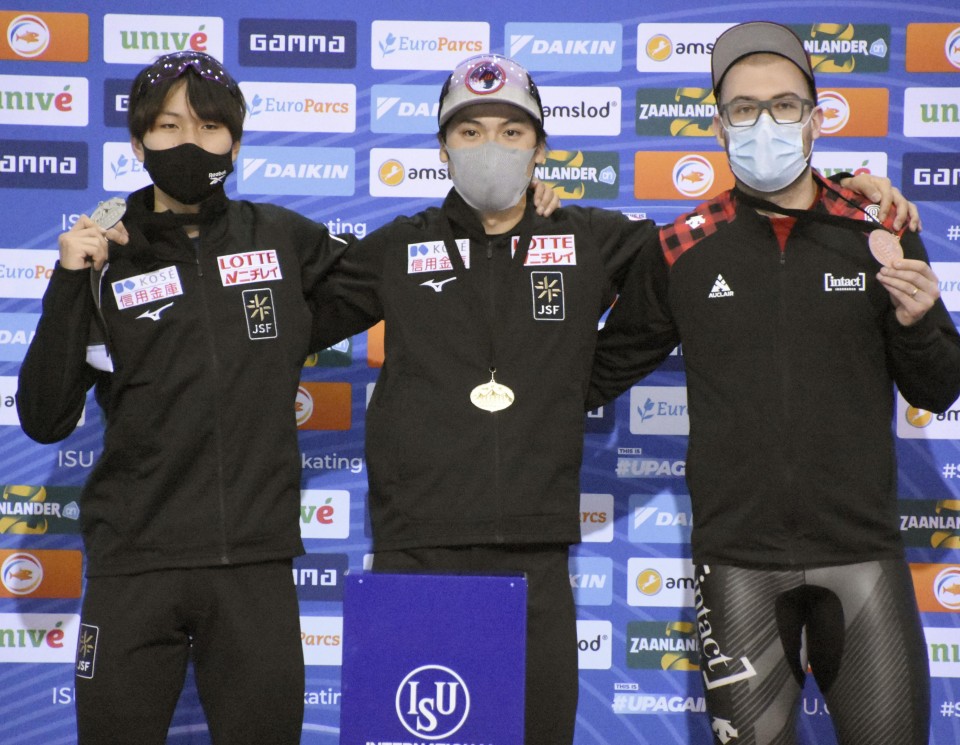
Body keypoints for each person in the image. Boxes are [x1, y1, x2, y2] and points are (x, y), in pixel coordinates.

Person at [309, 52, 915, 745]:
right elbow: (290, 316)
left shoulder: (588, 239)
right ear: (442, 148)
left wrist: (835, 190)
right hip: (413, 548)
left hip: (535, 552)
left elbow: (726, 238)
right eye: (469, 132)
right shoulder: (397, 247)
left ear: (540, 147)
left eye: (512, 133)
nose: (491, 149)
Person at [587, 22, 960, 745]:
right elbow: (595, 372)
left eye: (785, 106)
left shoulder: (878, 229)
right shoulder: (682, 247)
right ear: (719, 123)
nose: (766, 123)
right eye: (745, 107)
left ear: (816, 120)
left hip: (864, 557)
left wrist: (919, 323)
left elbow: (938, 388)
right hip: (737, 567)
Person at [15, 51, 358, 744]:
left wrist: (513, 218)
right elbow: (45, 417)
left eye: (208, 126)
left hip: (254, 566)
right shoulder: (104, 256)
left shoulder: (284, 241)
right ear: (137, 144)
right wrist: (67, 280)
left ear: (235, 140)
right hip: (136, 565)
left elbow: (402, 281)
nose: (190, 143)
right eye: (169, 127)